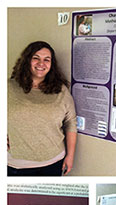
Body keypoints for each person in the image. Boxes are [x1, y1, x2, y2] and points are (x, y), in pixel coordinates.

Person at [8, 41, 77, 176]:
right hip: (16, 165)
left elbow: (71, 123)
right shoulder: (8, 87)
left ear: (51, 65)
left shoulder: (60, 90)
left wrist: (70, 156)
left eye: (47, 60)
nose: (41, 63)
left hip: (54, 162)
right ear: (27, 60)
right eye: (36, 58)